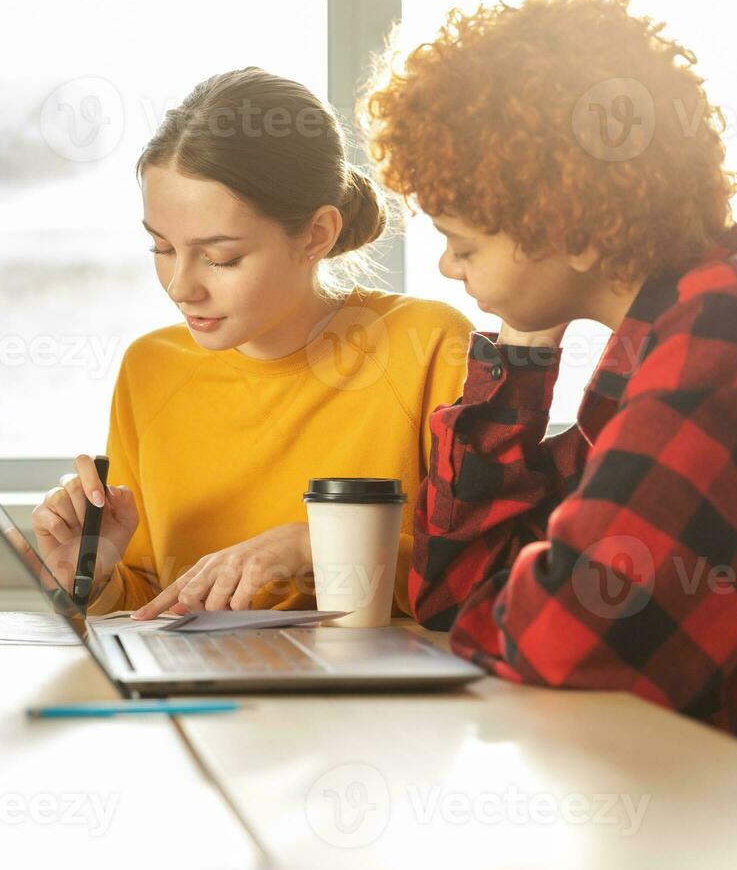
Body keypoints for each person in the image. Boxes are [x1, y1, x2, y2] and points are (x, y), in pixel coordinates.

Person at [367, 0, 737, 785]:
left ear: (565, 222)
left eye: (462, 242)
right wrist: (524, 344)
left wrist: (516, 607)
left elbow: (573, 647)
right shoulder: (652, 341)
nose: (446, 266)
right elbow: (456, 596)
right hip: (716, 794)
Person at [30, 67, 472, 619]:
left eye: (221, 257)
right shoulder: (151, 368)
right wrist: (96, 579)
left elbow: (479, 576)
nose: (180, 286)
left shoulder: (426, 345)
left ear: (316, 235)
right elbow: (157, 604)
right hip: (203, 692)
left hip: (373, 697)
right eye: (161, 248)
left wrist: (314, 547)